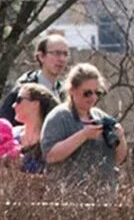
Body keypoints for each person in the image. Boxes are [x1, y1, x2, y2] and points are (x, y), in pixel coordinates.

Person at [40, 63, 127, 191]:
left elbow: (118, 159)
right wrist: (83, 135)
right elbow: (50, 155)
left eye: (98, 93)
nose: (93, 98)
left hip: (104, 196)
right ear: (72, 90)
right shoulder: (59, 117)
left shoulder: (101, 117)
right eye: (87, 93)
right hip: (68, 196)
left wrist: (120, 137)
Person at [0, 33, 69, 123]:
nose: (62, 59)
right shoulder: (23, 90)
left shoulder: (65, 92)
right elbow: (5, 125)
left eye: (65, 54)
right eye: (57, 53)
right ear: (41, 56)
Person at [11, 83, 59, 173]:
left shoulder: (50, 144)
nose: (13, 105)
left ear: (35, 104)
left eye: (19, 100)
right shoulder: (10, 134)